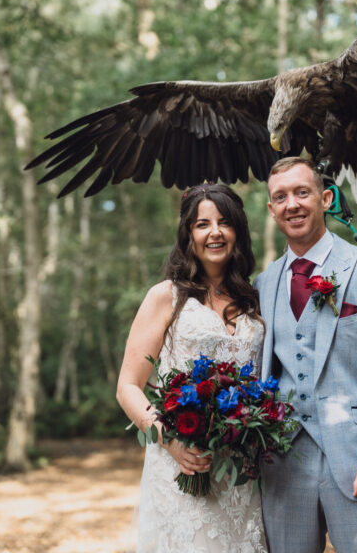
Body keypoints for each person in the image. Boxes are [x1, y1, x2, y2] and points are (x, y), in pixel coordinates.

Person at [254, 157, 357, 553]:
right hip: (283, 466)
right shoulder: (264, 282)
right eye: (281, 197)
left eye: (302, 192)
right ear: (272, 209)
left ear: (326, 198)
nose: (292, 204)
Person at [116, 183, 268, 553]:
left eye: (224, 223)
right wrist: (171, 442)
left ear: (238, 232)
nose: (214, 232)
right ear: (189, 234)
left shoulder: (255, 299)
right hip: (183, 463)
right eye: (203, 224)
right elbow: (128, 387)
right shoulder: (166, 296)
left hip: (241, 473)